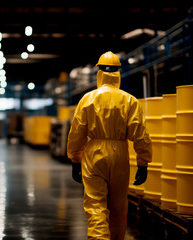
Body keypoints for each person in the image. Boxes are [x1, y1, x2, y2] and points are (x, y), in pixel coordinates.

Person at [67, 51, 152, 240]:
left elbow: (77, 133)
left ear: (98, 72)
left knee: (95, 205)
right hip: (120, 154)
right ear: (118, 73)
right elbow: (140, 134)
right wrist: (143, 162)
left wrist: (75, 159)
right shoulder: (130, 101)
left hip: (94, 155)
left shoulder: (87, 99)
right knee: (119, 207)